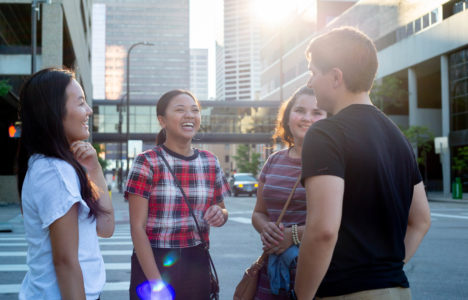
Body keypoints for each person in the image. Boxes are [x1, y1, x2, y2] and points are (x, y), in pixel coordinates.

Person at [293, 27, 431, 300]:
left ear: (335, 76)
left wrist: (302, 296)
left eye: (313, 72)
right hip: (398, 290)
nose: (310, 83)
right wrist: (385, 272)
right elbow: (421, 219)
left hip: (345, 291)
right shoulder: (397, 137)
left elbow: (322, 230)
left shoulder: (325, 133)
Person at [16, 68, 115, 299]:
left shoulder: (63, 167)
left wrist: (94, 169)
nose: (89, 111)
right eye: (81, 103)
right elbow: (65, 262)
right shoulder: (54, 172)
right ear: (53, 111)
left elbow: (106, 228)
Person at [125, 89, 230, 299]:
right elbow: (137, 228)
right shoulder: (146, 161)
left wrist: (220, 215)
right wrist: (156, 284)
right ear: (162, 120)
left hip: (197, 262)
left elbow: (221, 208)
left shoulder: (210, 161)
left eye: (194, 110)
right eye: (180, 110)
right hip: (154, 261)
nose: (189, 115)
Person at [251, 86, 327, 299]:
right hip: (272, 270)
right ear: (287, 116)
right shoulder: (273, 160)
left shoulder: (335, 162)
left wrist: (292, 236)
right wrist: (267, 229)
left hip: (316, 273)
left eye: (317, 113)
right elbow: (259, 213)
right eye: (300, 110)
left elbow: (344, 222)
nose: (306, 118)